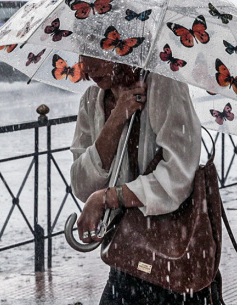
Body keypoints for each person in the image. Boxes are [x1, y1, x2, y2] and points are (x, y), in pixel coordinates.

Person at [69, 55, 209, 304]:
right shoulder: (92, 100)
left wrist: (107, 198)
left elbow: (177, 177)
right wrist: (115, 120)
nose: (87, 66)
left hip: (174, 255)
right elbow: (83, 184)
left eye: (96, 50)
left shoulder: (164, 83)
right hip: (126, 254)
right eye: (83, 51)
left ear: (124, 46)